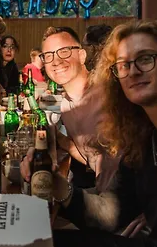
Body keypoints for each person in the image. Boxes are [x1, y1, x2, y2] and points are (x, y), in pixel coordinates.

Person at [24, 20, 157, 247]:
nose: (132, 71)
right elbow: (112, 214)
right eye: (122, 65)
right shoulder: (143, 139)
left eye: (145, 59)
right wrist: (56, 184)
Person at [40, 26, 119, 191]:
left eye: (64, 51)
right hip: (101, 193)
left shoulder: (109, 96)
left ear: (82, 55)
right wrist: (59, 139)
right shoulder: (65, 105)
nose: (56, 61)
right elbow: (92, 159)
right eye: (48, 55)